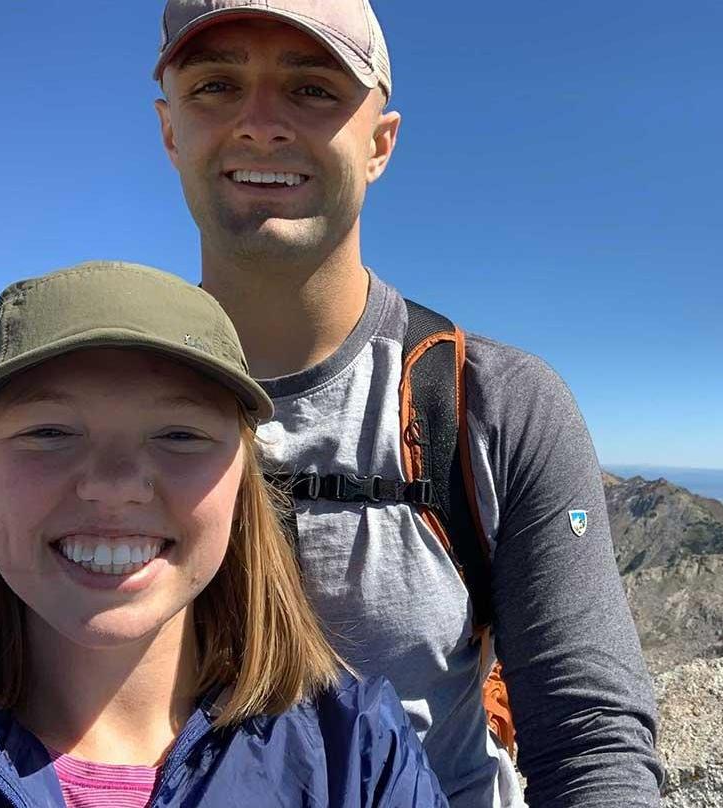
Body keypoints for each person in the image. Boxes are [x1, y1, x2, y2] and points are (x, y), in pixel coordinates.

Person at [152, 2, 664, 806]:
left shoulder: (491, 404)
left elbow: (587, 734)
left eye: (312, 89)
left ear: (381, 143)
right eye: (215, 84)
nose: (260, 123)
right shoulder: (92, 402)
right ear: (170, 130)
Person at [0, 260, 447, 807]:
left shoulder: (357, 758)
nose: (115, 485)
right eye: (48, 432)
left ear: (243, 479)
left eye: (180, 434)